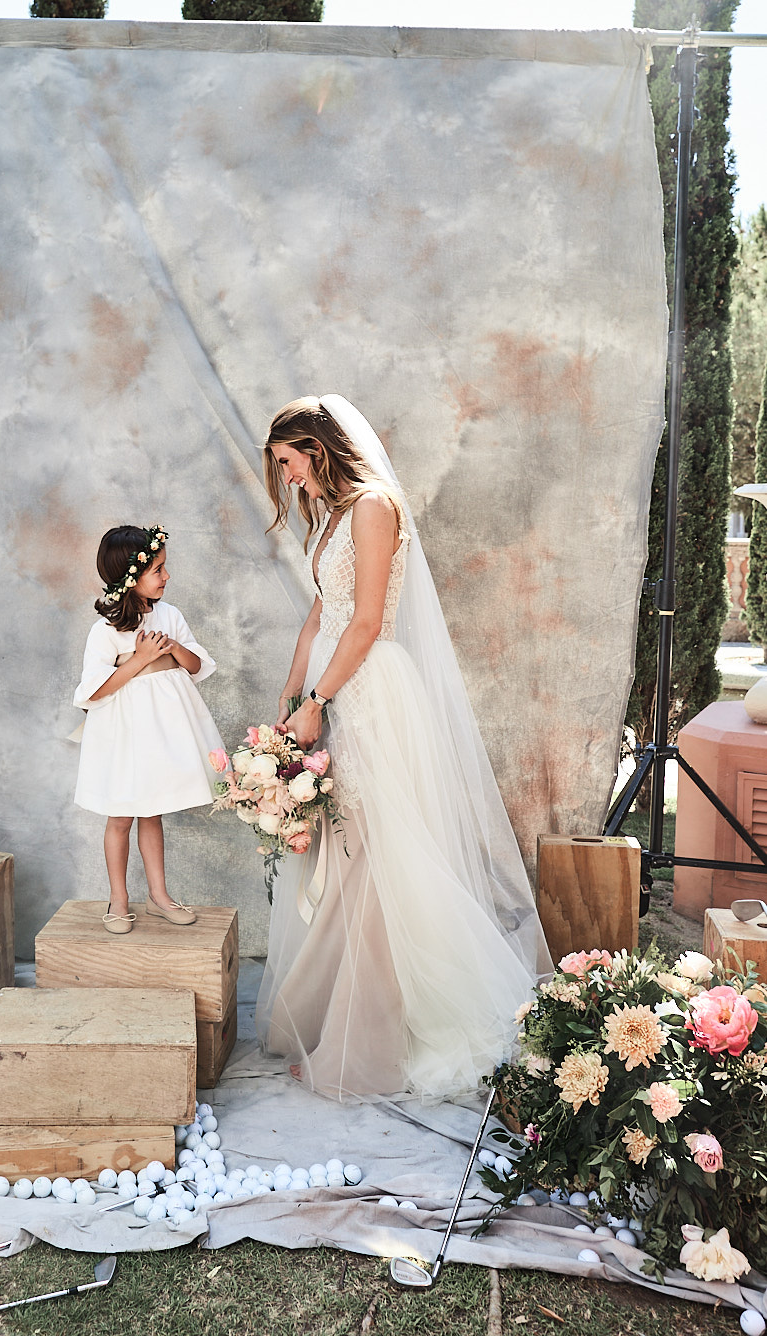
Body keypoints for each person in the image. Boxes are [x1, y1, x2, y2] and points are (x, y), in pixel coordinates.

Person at [256, 395, 551, 1103]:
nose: (288, 478)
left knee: (373, 858)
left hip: (367, 692)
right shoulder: (331, 515)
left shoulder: (373, 508)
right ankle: (334, 1015)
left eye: (290, 463)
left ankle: (366, 1043)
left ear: (317, 448)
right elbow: (320, 613)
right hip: (329, 687)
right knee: (342, 856)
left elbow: (363, 623)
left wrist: (319, 701)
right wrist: (292, 692)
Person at [73, 525, 222, 935]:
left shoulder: (170, 615)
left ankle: (159, 895)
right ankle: (119, 899)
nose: (166, 576)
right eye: (158, 569)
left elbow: (197, 666)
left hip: (161, 732)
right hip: (123, 734)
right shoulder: (105, 630)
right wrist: (139, 660)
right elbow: (93, 691)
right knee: (121, 816)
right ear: (130, 576)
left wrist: (173, 647)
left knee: (152, 811)